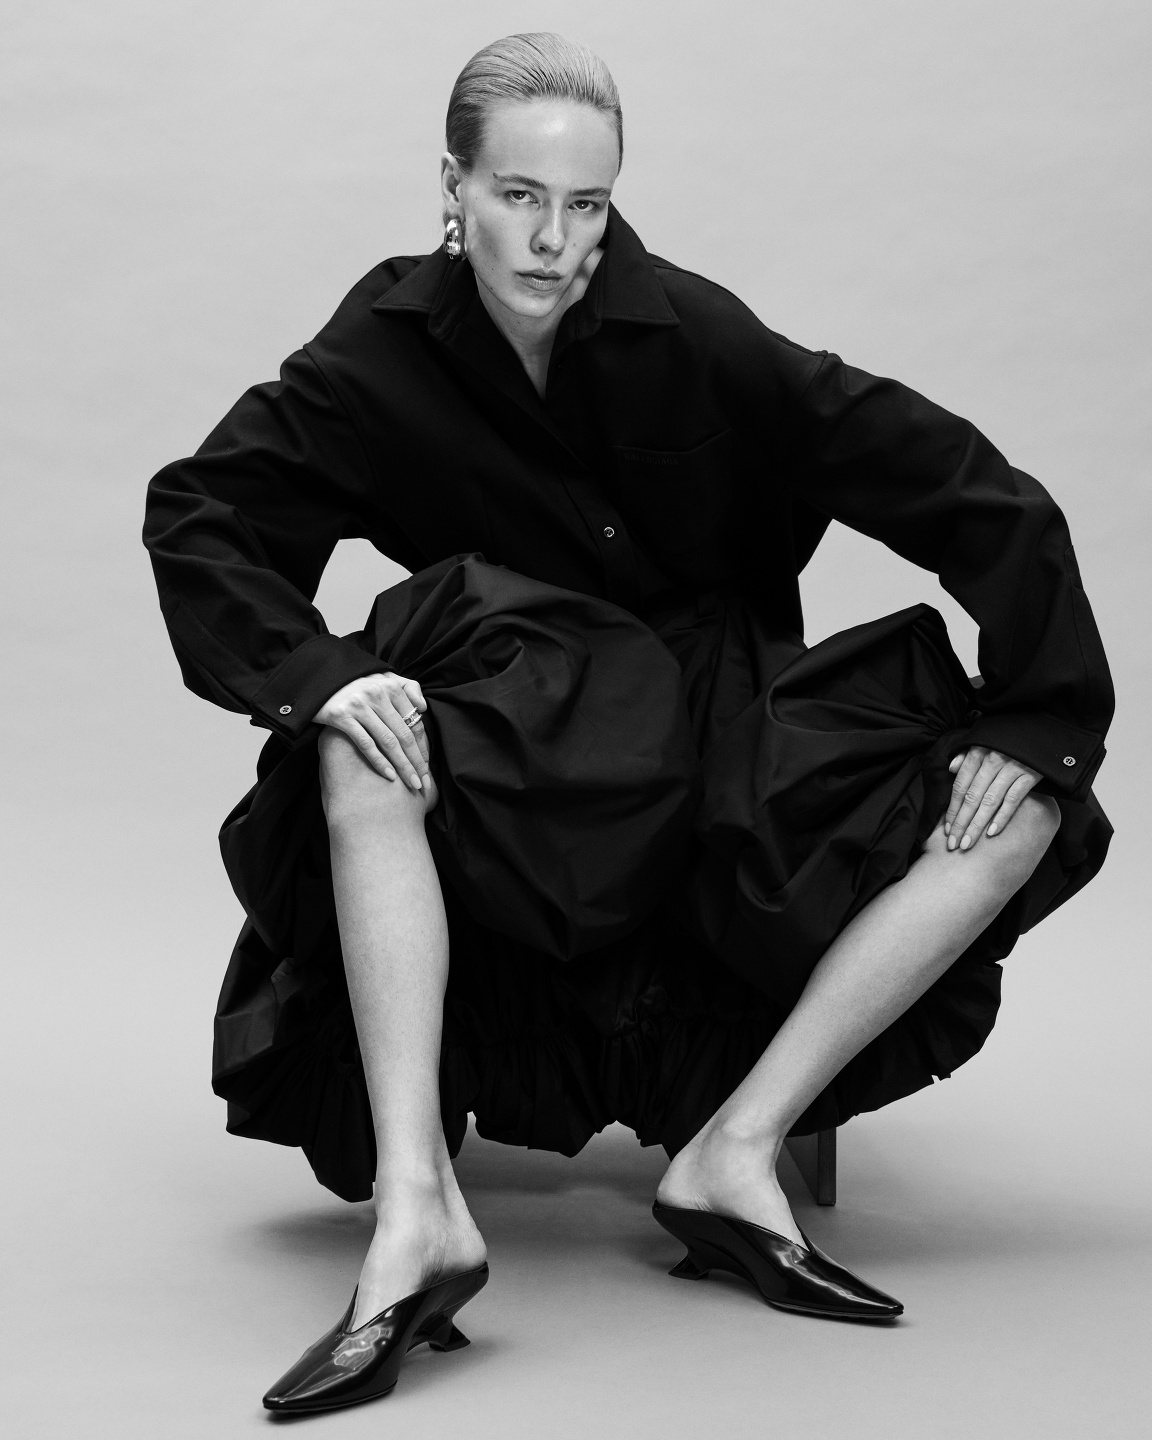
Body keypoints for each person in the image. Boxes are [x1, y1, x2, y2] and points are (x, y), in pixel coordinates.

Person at [143, 32, 1113, 1415]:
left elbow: (957, 481)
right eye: (519, 197)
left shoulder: (693, 333)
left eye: (586, 203)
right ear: (451, 187)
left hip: (717, 751)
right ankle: (418, 1219)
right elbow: (202, 511)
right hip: (522, 767)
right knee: (358, 736)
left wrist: (1035, 712)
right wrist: (317, 676)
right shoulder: (380, 353)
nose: (553, 241)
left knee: (1024, 799)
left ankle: (735, 1152)